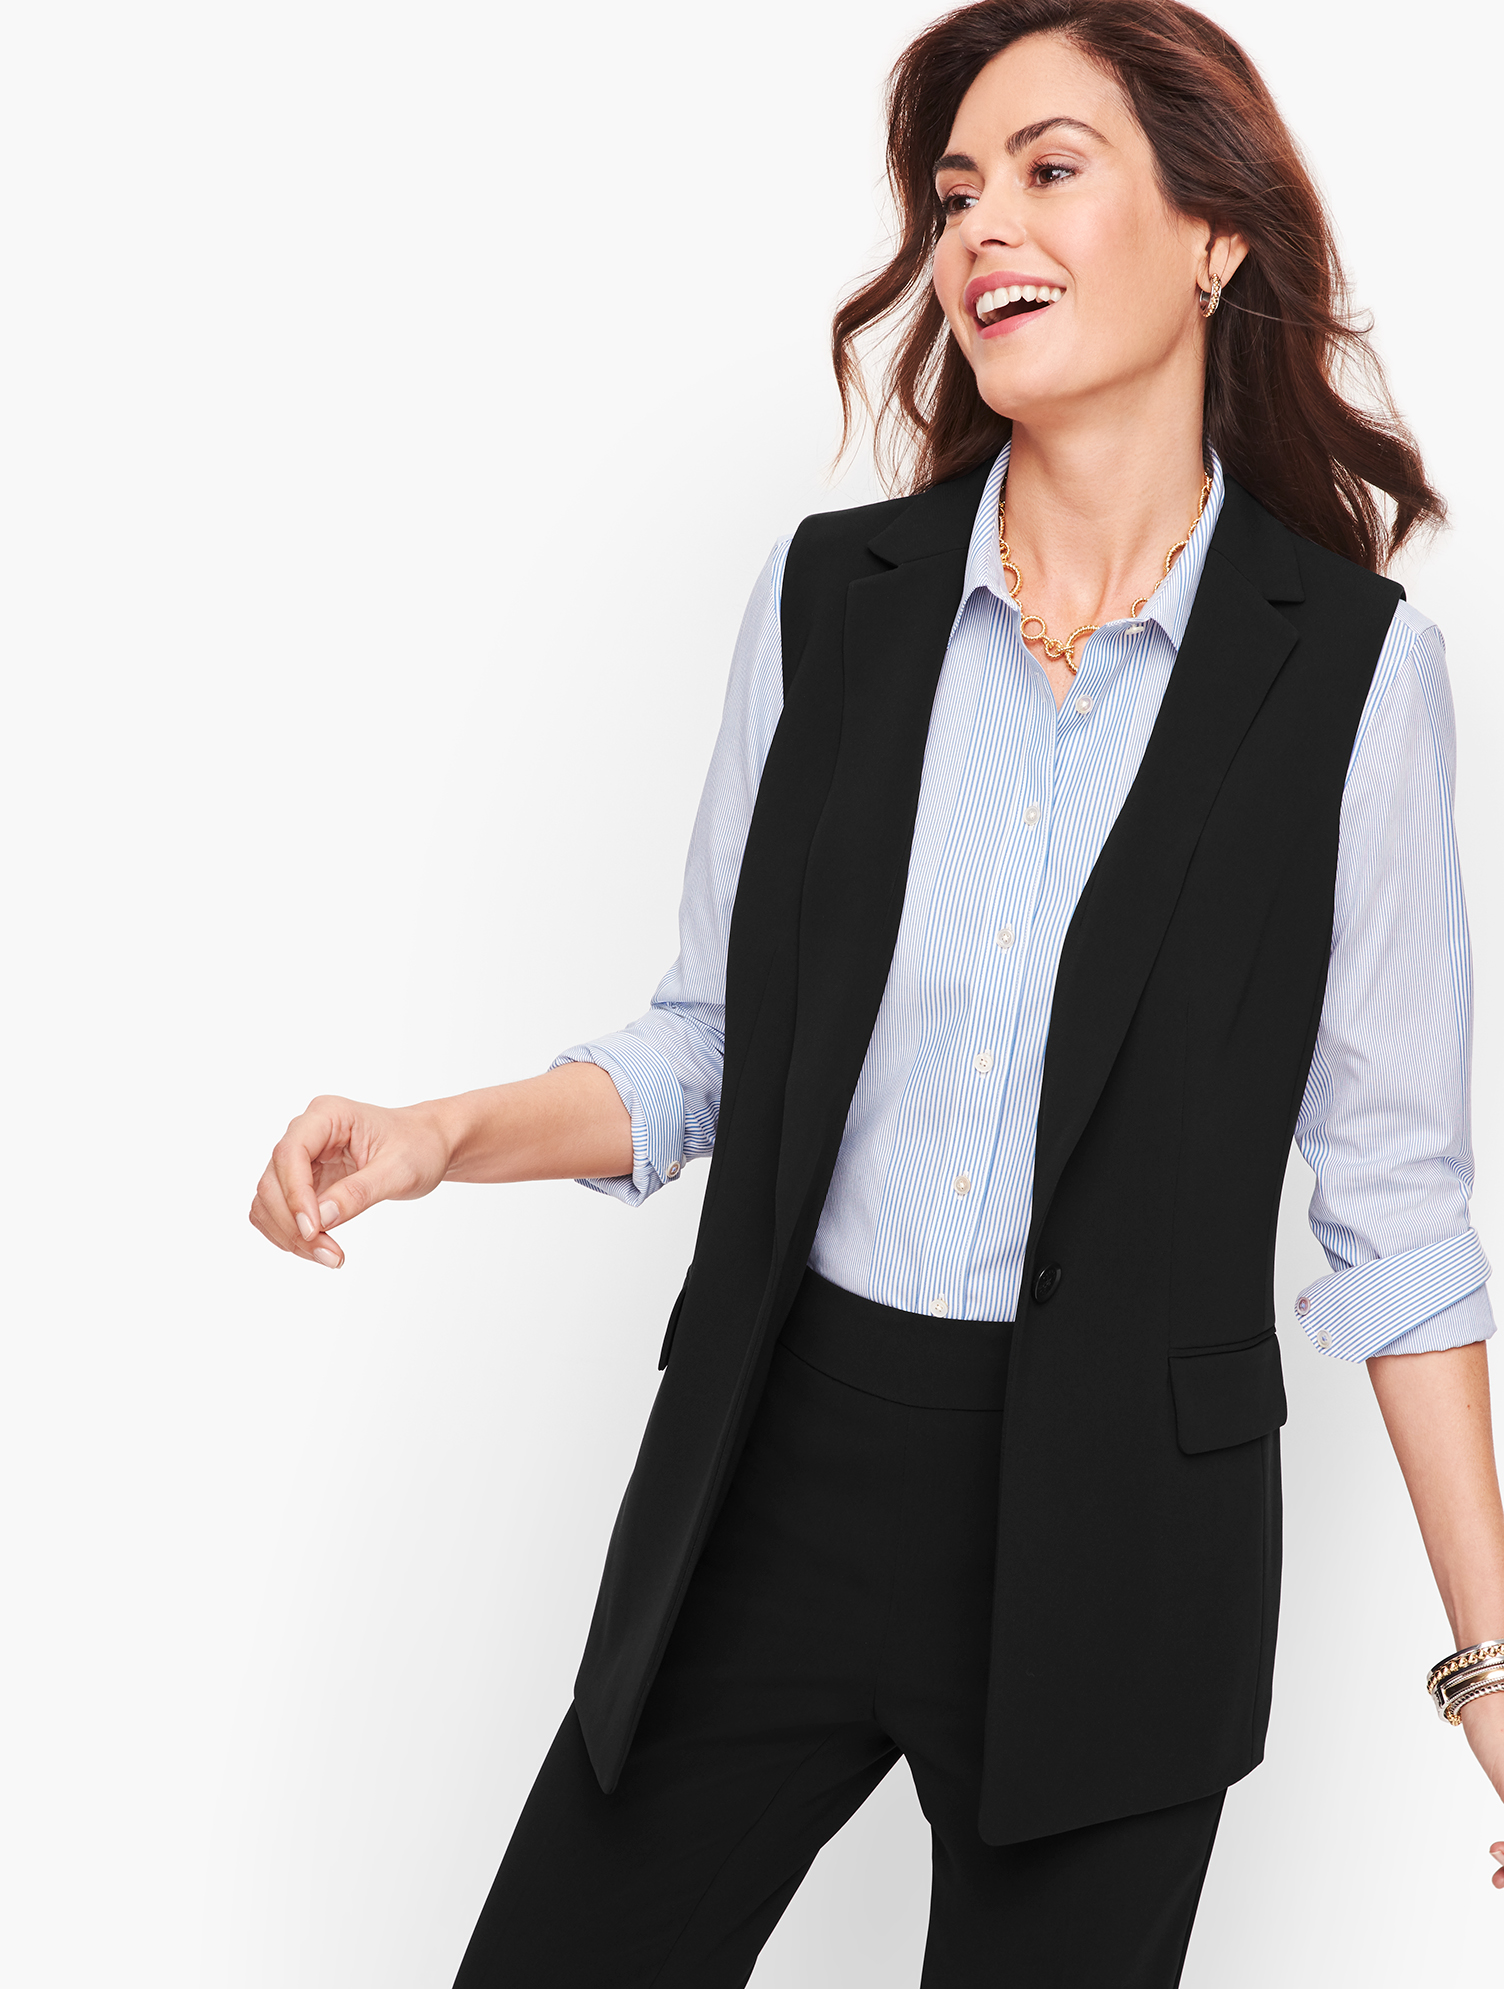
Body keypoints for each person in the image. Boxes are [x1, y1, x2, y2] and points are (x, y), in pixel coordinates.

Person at [248, 2, 1504, 1980]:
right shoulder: (832, 603)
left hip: (1121, 1532)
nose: (980, 224)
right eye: (954, 189)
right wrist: (435, 1134)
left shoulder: (1352, 676)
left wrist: (1489, 1668)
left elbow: (1399, 1204)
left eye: (1048, 168)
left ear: (1212, 236)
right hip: (783, 1462)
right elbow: (712, 1042)